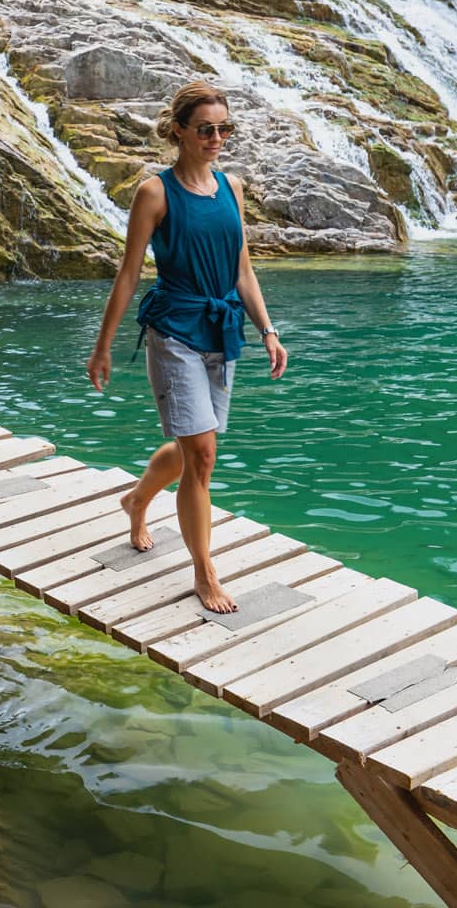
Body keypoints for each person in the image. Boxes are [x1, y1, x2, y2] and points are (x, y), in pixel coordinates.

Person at [86, 80, 288, 613]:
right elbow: (129, 274)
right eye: (205, 130)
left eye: (224, 129)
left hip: (222, 330)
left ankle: (137, 500)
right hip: (175, 331)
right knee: (201, 455)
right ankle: (205, 573)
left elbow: (242, 270)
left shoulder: (231, 188)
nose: (216, 138)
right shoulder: (155, 193)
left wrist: (268, 330)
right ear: (178, 131)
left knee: (194, 447)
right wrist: (103, 346)